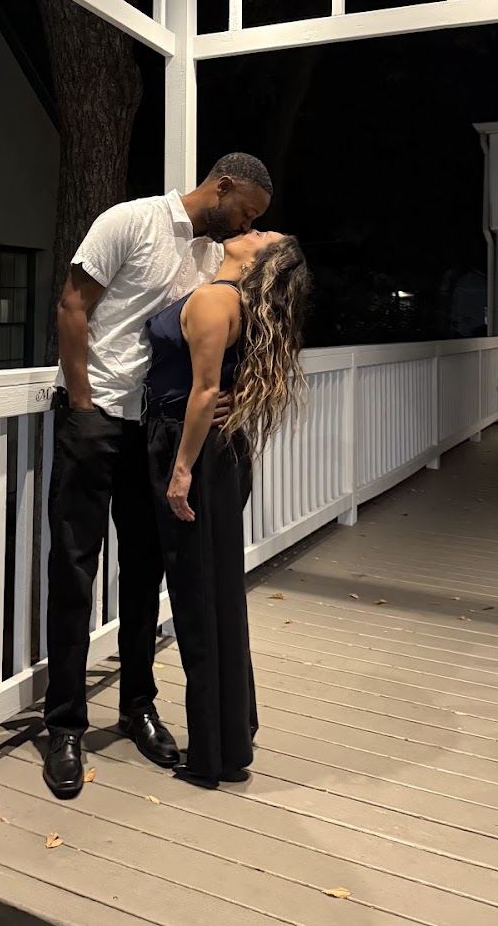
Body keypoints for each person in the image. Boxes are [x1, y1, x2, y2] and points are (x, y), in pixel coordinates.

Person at [43, 154, 273, 799]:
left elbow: (217, 340)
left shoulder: (212, 256)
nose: (245, 225)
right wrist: (82, 404)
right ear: (221, 186)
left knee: (146, 573)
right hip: (95, 417)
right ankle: (64, 724)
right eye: (246, 212)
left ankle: (136, 706)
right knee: (74, 568)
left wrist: (231, 392)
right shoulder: (130, 220)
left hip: (155, 429)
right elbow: (72, 304)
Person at [145, 230, 311, 788]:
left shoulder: (216, 299)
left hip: (192, 449)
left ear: (259, 261)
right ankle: (230, 738)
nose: (252, 230)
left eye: (264, 234)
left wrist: (181, 470)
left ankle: (211, 755)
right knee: (215, 595)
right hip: (216, 451)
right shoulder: (227, 298)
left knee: (199, 600)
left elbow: (202, 390)